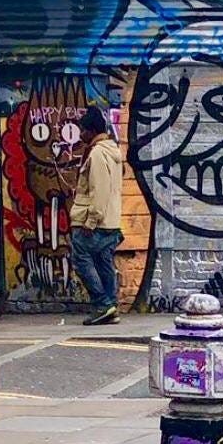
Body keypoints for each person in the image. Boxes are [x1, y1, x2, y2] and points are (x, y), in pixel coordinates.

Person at [69, 105, 124, 325]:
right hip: (111, 220)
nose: (80, 135)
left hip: (95, 221)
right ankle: (110, 306)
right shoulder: (112, 151)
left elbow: (99, 190)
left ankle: (102, 304)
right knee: (104, 263)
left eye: (82, 130)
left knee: (80, 259)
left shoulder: (98, 153)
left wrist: (91, 221)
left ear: (91, 131)